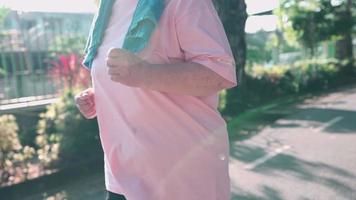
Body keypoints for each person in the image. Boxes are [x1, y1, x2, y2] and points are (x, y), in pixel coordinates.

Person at [75, 0, 237, 199]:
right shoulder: (107, 7)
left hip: (182, 179)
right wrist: (100, 94)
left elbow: (219, 74)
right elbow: (125, 74)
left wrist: (144, 73)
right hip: (122, 179)